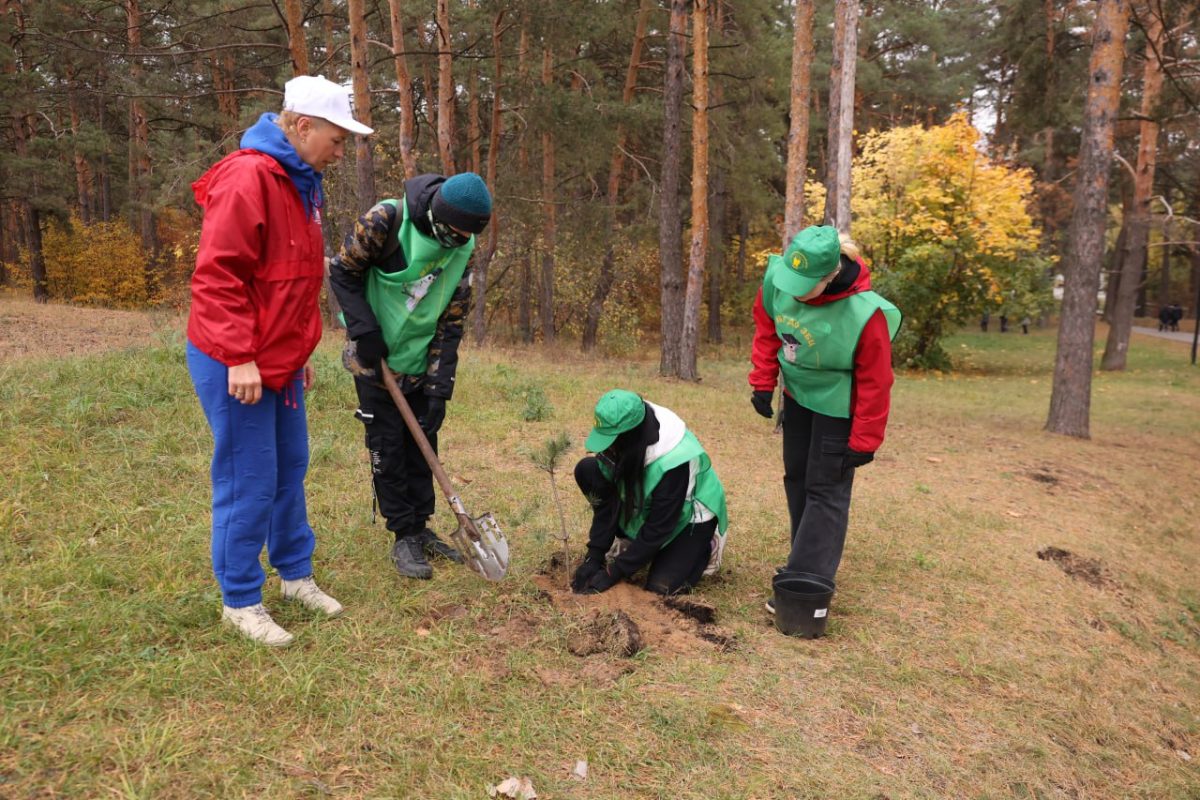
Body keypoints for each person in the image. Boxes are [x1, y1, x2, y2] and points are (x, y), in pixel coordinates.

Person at [187, 76, 372, 646]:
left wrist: (295, 353)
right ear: (301, 125)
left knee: (290, 466)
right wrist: (241, 356)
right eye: (337, 141)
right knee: (250, 477)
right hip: (232, 357)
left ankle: (294, 575)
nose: (341, 154)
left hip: (279, 358)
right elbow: (219, 277)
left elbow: (288, 280)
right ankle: (240, 599)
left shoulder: (301, 182)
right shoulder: (250, 177)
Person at [329, 172, 492, 580]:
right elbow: (342, 271)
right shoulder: (386, 219)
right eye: (452, 233)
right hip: (375, 356)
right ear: (438, 216)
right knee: (388, 445)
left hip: (422, 359)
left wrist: (440, 387)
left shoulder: (464, 247)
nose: (457, 242)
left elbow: (452, 320)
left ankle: (422, 526)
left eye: (465, 236)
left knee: (423, 444)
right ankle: (403, 533)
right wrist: (363, 330)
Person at [748, 225, 901, 616]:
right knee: (796, 476)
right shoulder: (778, 282)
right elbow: (768, 330)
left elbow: (876, 381)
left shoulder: (866, 314)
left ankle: (807, 578)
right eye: (791, 280)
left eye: (804, 285)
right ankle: (806, 556)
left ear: (829, 276)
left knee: (826, 488)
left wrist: (865, 439)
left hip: (839, 407)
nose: (794, 291)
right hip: (797, 396)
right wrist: (763, 382)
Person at [571, 390, 728, 596]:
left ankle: (704, 546)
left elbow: (660, 526)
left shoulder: (674, 460)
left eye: (612, 443)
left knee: (660, 587)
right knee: (588, 469)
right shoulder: (626, 428)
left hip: (687, 517)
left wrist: (614, 572)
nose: (606, 449)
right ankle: (637, 543)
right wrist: (595, 556)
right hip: (646, 502)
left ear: (628, 438)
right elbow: (607, 507)